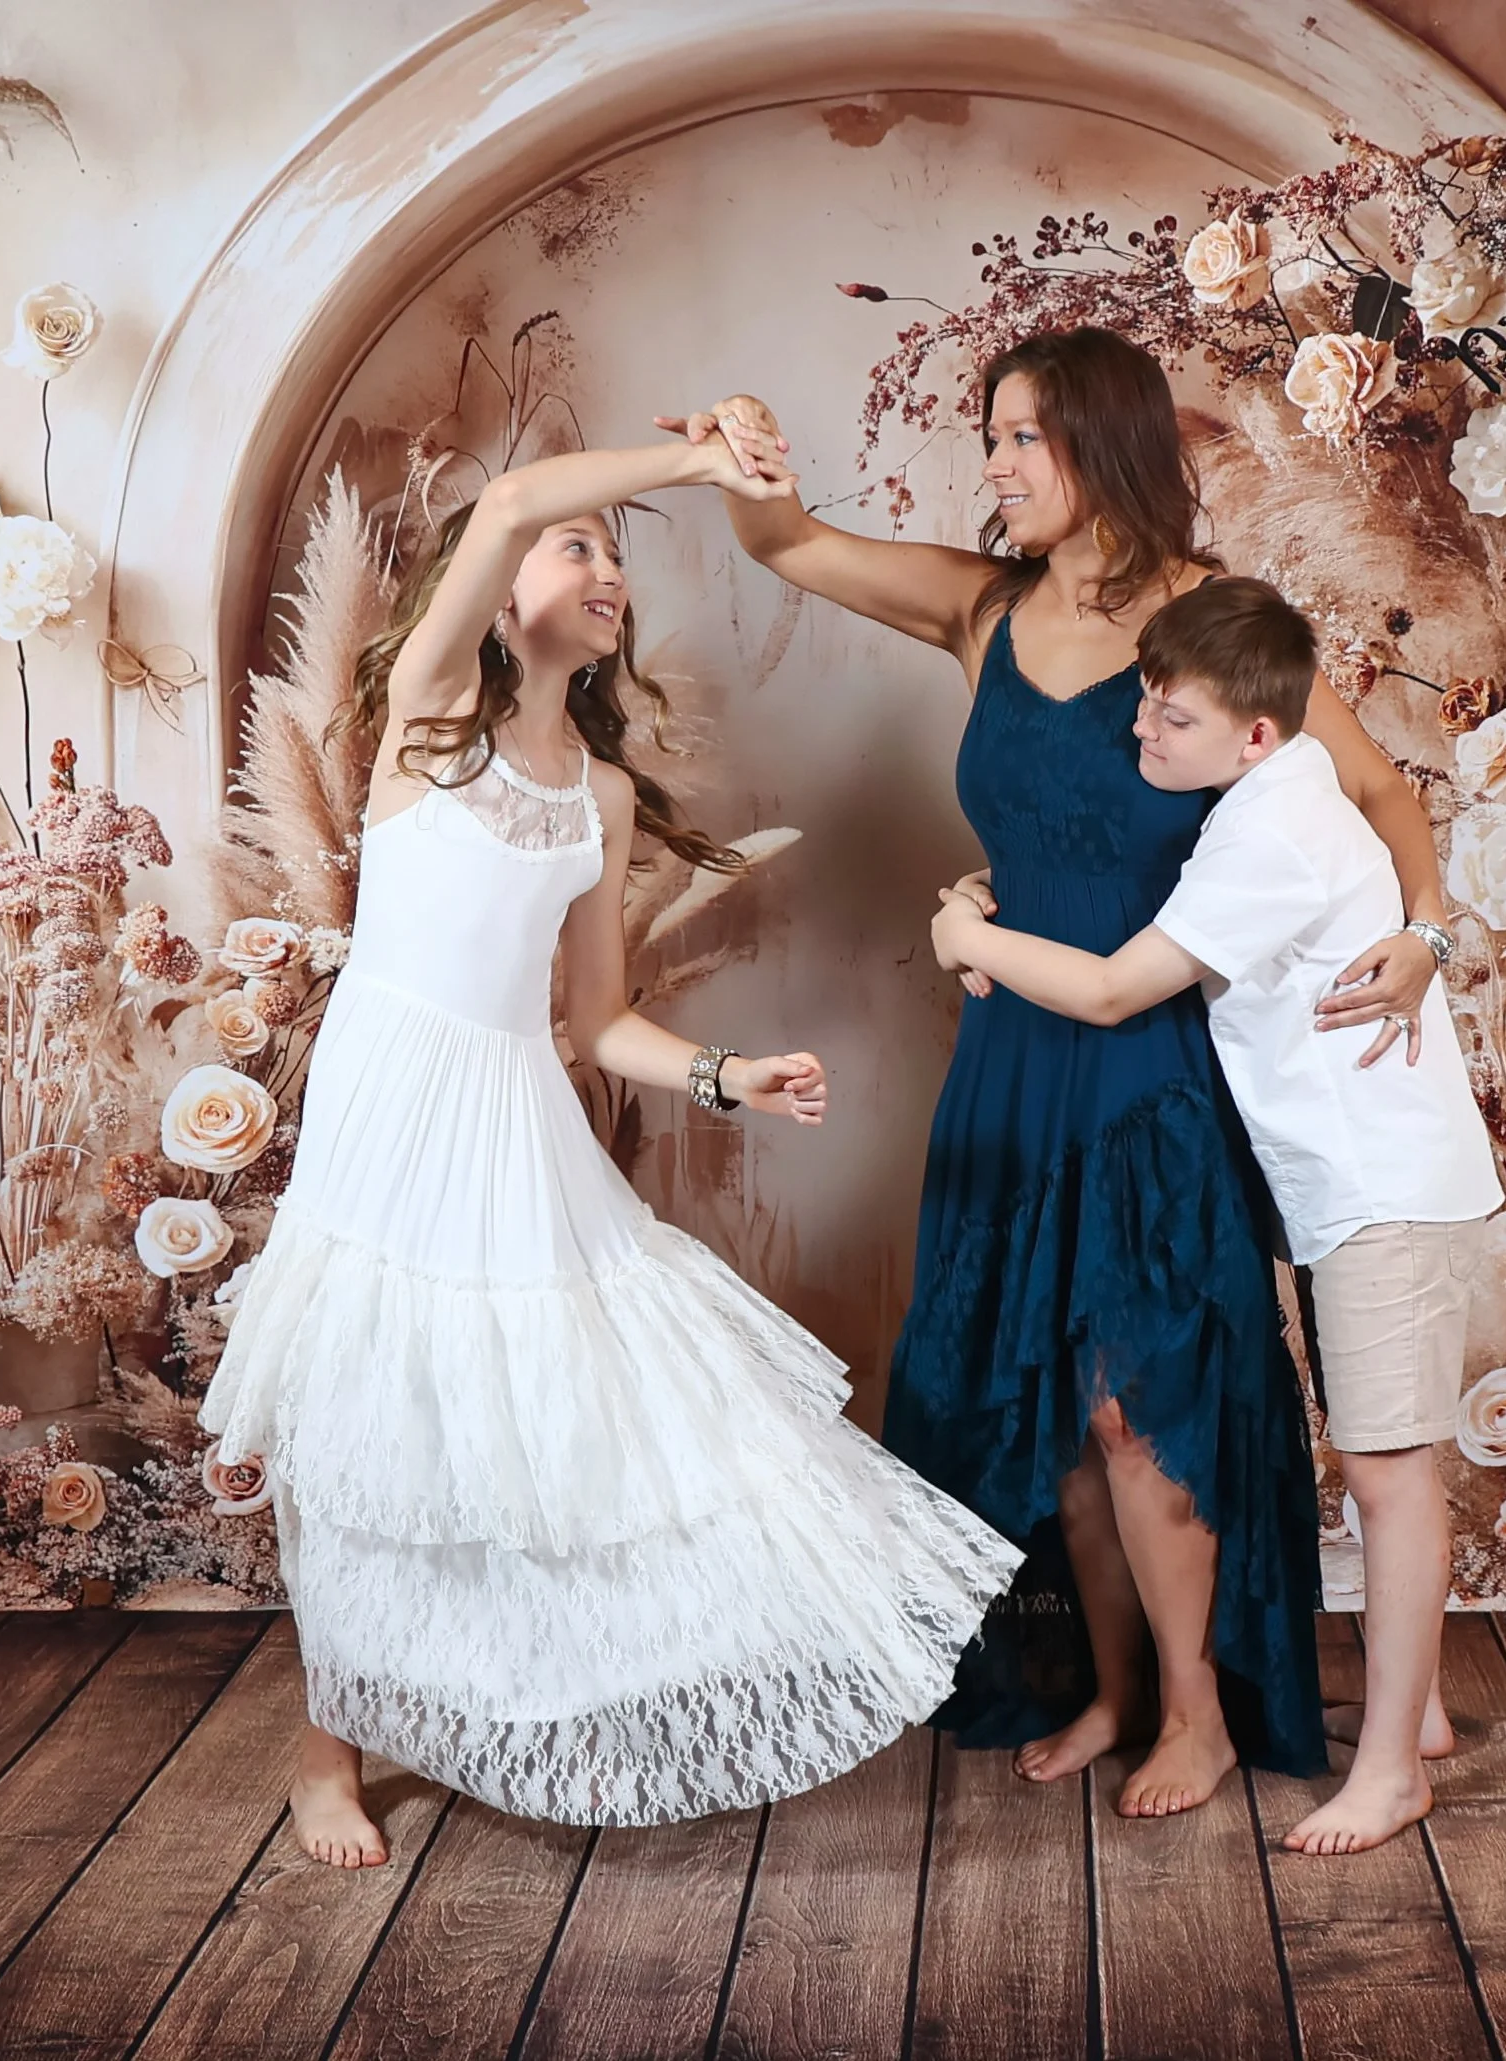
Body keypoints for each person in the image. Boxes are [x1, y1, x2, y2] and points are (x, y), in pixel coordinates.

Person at [199, 435, 1022, 1867]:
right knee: (362, 1422)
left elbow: (597, 1017)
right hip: (391, 1101)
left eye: (617, 557)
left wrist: (725, 1074)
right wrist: (697, 452)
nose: (609, 577)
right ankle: (320, 1753)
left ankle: (505, 1688)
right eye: (581, 551)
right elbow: (511, 490)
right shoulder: (427, 717)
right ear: (495, 581)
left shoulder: (597, 791)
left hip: (511, 1109)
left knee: (549, 1410)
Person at [664, 327, 1451, 1817]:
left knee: (1131, 1404)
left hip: (1151, 1061)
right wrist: (744, 446)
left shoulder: (1210, 624)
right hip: (1012, 1062)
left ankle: (1201, 1716)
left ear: (1101, 445)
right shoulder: (979, 608)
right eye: (991, 437)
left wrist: (1420, 935)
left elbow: (1379, 790)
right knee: (1049, 1406)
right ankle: (1111, 1686)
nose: (995, 467)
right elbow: (789, 544)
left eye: (1022, 437)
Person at [932, 576, 1501, 1853]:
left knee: (1388, 1471)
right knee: (1375, 1457)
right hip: (1333, 1180)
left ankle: (1395, 1775)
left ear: (1255, 733)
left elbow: (1113, 992)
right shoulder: (1265, 794)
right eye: (1143, 704)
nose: (1142, 736)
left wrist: (957, 926)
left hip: (1376, 1182)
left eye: (1170, 721)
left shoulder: (1269, 837)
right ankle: (1419, 1720)